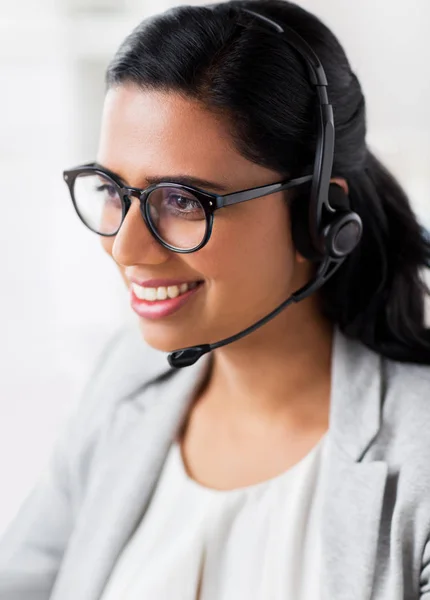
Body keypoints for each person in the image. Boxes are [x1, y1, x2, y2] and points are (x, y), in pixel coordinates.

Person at [1, 1, 430, 598]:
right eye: (111, 189)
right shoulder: (124, 381)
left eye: (181, 200)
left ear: (318, 216)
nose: (126, 249)